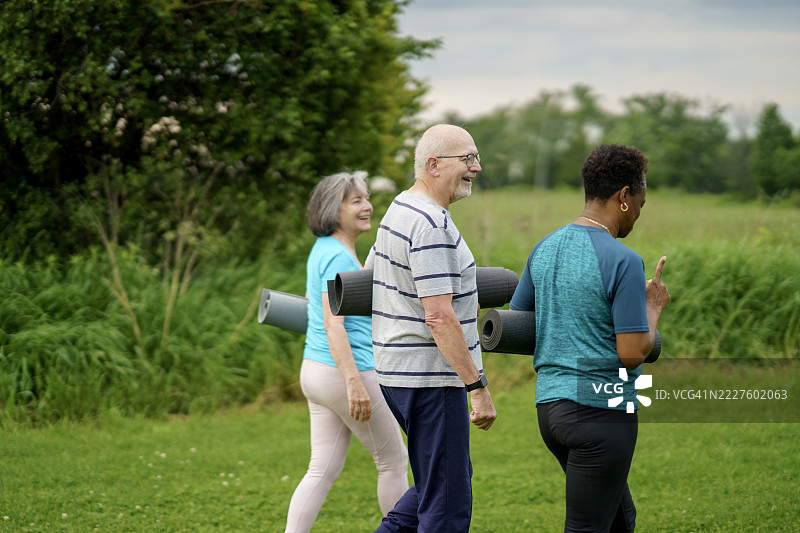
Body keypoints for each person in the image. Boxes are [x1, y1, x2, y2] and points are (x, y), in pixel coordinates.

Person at [509, 144, 671, 532]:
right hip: (601, 415)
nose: (637, 218)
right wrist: (652, 308)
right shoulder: (623, 259)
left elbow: (522, 320)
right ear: (625, 197)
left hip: (551, 411)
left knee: (618, 520)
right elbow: (632, 354)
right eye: (641, 205)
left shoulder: (545, 247)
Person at [367, 124, 497, 532]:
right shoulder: (431, 223)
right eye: (468, 159)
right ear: (434, 164)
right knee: (446, 505)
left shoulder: (400, 208)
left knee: (433, 485)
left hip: (396, 374)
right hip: (431, 380)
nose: (476, 168)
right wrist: (476, 387)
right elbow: (439, 316)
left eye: (476, 158)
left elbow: (375, 275)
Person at [285, 171, 409, 533]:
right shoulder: (338, 257)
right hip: (346, 373)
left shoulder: (324, 250)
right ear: (332, 210)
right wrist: (354, 382)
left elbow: (318, 304)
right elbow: (333, 324)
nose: (368, 206)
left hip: (315, 373)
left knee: (321, 470)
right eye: (356, 201)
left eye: (366, 198)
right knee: (393, 461)